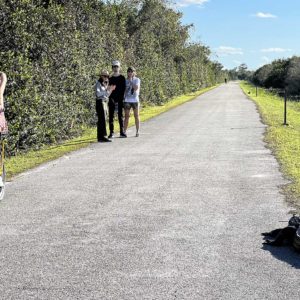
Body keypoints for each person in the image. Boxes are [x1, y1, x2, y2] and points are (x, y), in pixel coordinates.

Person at [95, 70, 116, 142]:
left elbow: (106, 95)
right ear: (101, 76)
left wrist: (110, 90)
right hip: (100, 102)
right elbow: (98, 94)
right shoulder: (98, 83)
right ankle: (103, 136)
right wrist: (107, 90)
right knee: (102, 120)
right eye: (104, 76)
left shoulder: (105, 83)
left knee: (103, 119)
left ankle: (100, 137)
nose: (106, 77)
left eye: (107, 76)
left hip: (104, 102)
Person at [108, 60, 126, 138]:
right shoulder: (110, 78)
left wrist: (121, 99)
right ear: (112, 68)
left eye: (117, 66)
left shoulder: (122, 78)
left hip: (120, 99)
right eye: (114, 66)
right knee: (111, 116)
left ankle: (122, 132)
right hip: (111, 98)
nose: (115, 68)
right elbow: (108, 89)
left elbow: (124, 89)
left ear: (119, 67)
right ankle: (111, 132)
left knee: (120, 116)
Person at [124, 66, 141, 137]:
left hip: (135, 100)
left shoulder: (137, 79)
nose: (130, 73)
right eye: (129, 71)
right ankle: (124, 131)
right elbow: (124, 91)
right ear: (127, 72)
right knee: (127, 116)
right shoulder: (125, 80)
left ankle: (137, 131)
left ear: (134, 72)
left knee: (136, 115)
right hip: (127, 100)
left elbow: (136, 88)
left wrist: (131, 81)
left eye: (132, 71)